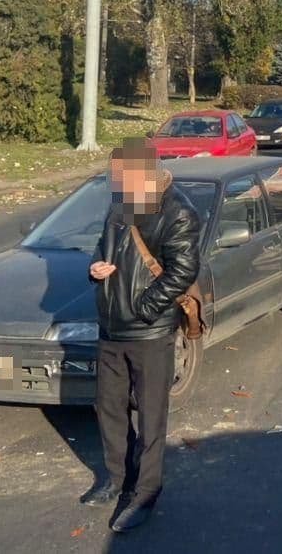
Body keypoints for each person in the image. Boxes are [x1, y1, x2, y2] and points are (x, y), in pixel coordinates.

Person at [84, 138, 200, 533]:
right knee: (108, 408)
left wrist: (144, 308)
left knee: (151, 417)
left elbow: (183, 271)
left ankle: (146, 493)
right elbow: (104, 249)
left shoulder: (178, 212)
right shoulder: (119, 206)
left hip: (150, 332)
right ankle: (116, 479)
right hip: (111, 327)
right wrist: (96, 268)